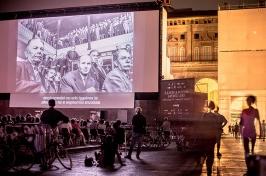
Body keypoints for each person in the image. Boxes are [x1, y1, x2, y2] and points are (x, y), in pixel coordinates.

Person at [240, 95, 262, 167]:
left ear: (252, 101)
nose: (248, 101)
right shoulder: (244, 111)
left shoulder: (255, 111)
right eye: (247, 100)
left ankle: (251, 164)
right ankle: (248, 165)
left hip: (252, 131)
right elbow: (241, 122)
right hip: (245, 131)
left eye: (249, 100)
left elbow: (258, 121)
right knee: (246, 150)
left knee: (252, 150)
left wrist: (261, 132)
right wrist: (240, 133)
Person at [199, 101, 220, 176]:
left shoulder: (204, 115)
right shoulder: (216, 117)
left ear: (208, 107)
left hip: (205, 136)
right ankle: (209, 170)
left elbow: (200, 126)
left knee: (205, 151)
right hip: (212, 137)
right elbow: (217, 128)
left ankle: (202, 160)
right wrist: (217, 138)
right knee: (211, 153)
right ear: (213, 107)